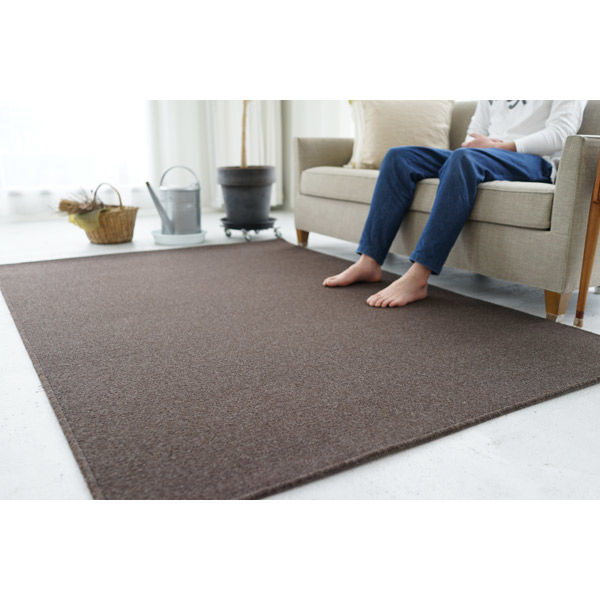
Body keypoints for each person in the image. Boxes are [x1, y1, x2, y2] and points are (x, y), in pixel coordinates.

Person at [323, 100, 587, 307]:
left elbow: (561, 133)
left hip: (535, 162)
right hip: (487, 156)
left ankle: (419, 276)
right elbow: (475, 132)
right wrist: (480, 145)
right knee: (399, 158)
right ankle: (369, 261)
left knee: (464, 159)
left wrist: (501, 147)